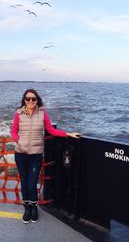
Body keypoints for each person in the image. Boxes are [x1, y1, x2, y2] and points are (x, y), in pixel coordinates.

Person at [11, 89, 80, 224]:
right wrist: (17, 139)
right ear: (24, 100)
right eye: (28, 99)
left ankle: (34, 207)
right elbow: (13, 130)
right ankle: (27, 208)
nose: (30, 101)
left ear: (37, 100)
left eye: (33, 99)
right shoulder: (18, 113)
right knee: (24, 183)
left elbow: (51, 130)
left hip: (35, 156)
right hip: (20, 154)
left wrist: (68, 134)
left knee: (31, 184)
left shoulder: (42, 113)